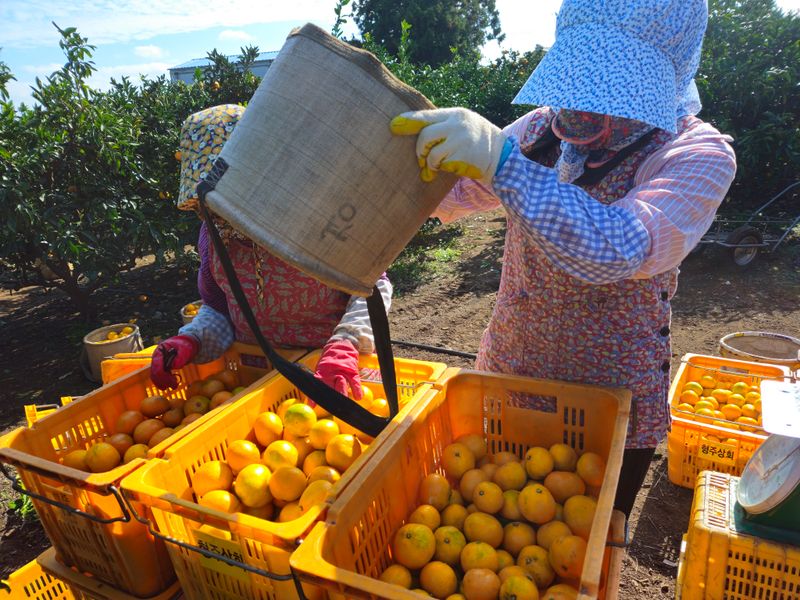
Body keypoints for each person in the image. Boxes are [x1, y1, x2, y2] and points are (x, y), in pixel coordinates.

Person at [390, 0, 736, 516]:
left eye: (615, 84)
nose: (585, 104)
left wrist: (502, 166)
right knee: (489, 515)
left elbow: (618, 249)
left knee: (586, 542)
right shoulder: (540, 131)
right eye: (581, 79)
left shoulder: (694, 155)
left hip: (610, 394)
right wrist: (402, 168)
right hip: (515, 365)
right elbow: (453, 194)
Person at [151, 104, 393, 401]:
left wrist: (347, 342)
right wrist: (193, 338)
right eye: (211, 201)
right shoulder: (212, 237)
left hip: (329, 374)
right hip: (257, 377)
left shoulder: (319, 223)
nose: (221, 211)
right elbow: (218, 308)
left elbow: (372, 287)